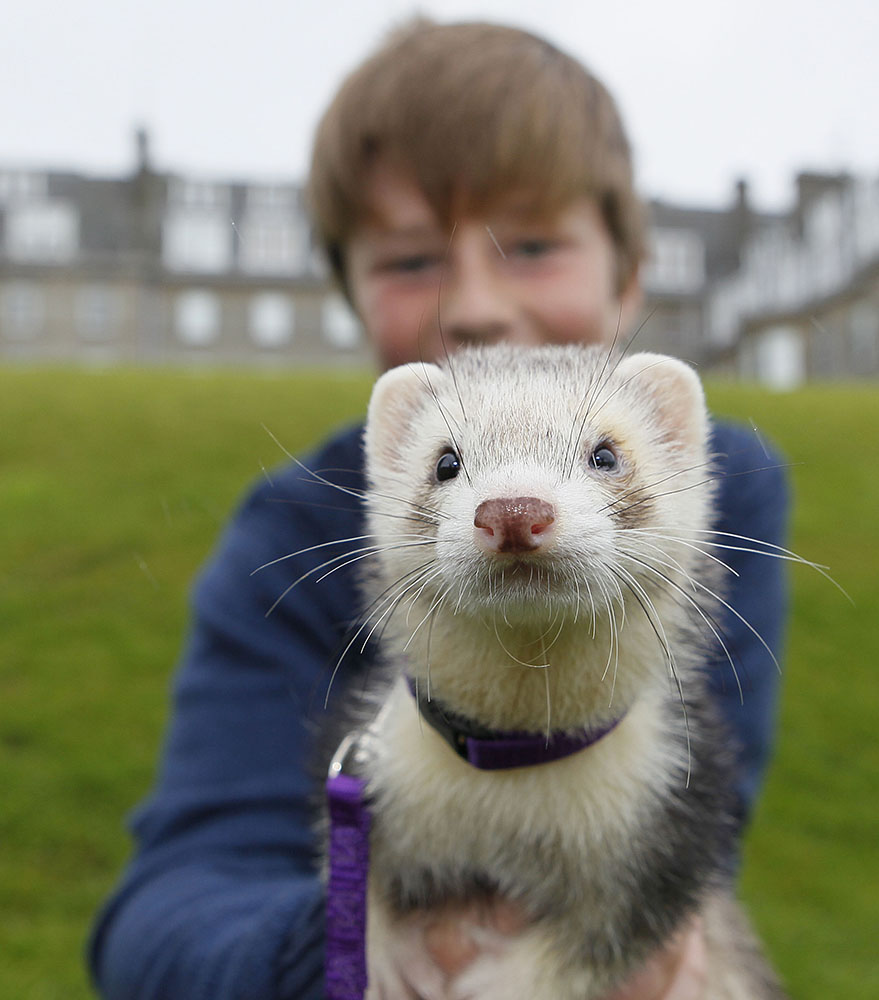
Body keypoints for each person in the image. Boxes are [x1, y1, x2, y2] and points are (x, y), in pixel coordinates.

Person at [89, 19, 787, 1000]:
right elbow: (162, 915)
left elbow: (698, 830)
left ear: (632, 275)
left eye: (532, 244)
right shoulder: (288, 541)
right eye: (412, 259)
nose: (473, 303)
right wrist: (348, 947)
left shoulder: (736, 491)